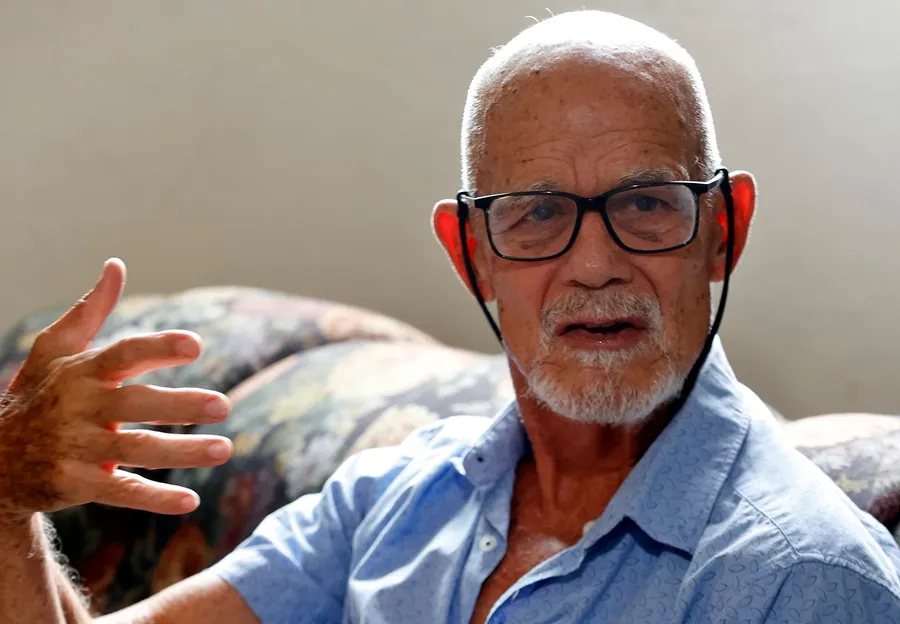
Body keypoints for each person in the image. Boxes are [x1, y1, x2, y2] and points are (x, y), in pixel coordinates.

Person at [2, 10, 899, 624]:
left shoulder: (799, 579)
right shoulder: (391, 497)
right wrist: (8, 497)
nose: (595, 264)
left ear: (724, 230)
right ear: (471, 254)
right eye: (537, 213)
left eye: (646, 204)